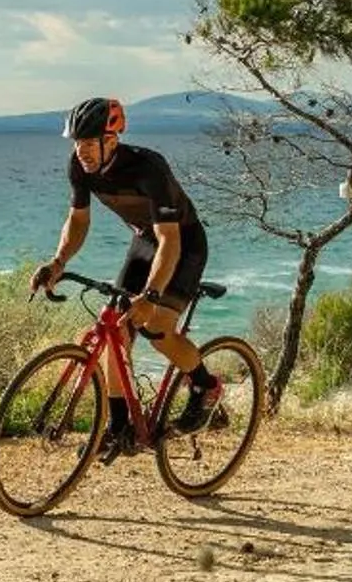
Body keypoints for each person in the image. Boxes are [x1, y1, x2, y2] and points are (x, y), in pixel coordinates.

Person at [28, 95, 220, 459]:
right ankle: (119, 426)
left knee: (156, 328)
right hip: (145, 243)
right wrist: (57, 263)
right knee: (115, 326)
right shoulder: (79, 167)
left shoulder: (149, 168)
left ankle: (204, 385)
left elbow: (170, 240)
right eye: (76, 143)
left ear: (110, 140)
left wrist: (150, 296)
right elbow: (79, 221)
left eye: (88, 143)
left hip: (183, 244)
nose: (81, 151)